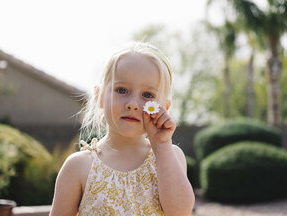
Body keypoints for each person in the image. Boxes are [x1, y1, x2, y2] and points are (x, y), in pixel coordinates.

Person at [49, 42, 195, 216]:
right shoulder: (79, 167)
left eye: (147, 95)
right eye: (122, 90)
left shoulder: (170, 157)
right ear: (100, 97)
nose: (133, 104)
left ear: (165, 107)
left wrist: (162, 146)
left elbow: (180, 212)